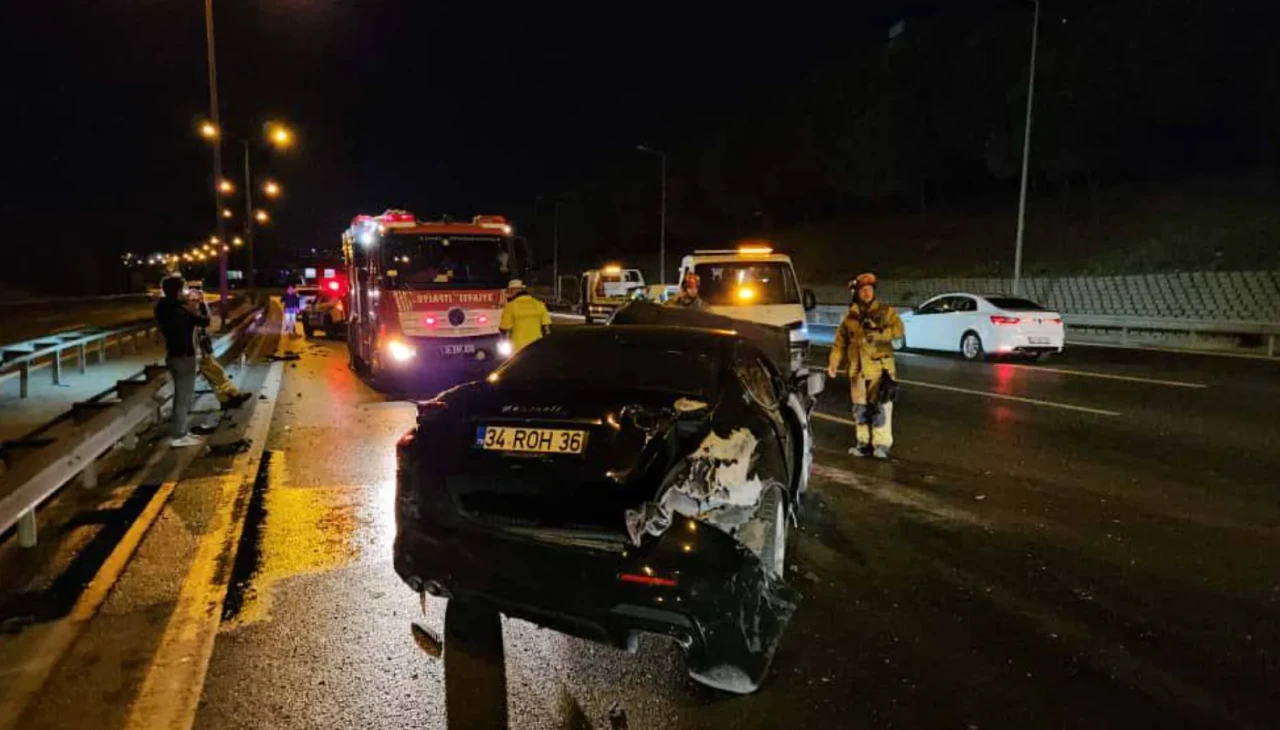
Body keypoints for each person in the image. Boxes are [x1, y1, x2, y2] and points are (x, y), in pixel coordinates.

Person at [827, 272, 904, 459]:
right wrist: (833, 363)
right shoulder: (850, 318)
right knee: (860, 409)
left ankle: (881, 445)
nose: (867, 293)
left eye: (869, 290)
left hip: (880, 370)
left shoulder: (886, 312)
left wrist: (879, 334)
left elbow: (898, 331)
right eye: (863, 290)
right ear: (857, 294)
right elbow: (839, 343)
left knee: (881, 408)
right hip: (857, 371)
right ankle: (863, 443)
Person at [155, 275, 208, 447]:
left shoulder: (161, 308)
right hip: (184, 356)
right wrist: (201, 302)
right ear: (178, 291)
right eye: (183, 289)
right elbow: (205, 321)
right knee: (183, 396)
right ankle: (178, 435)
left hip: (173, 355)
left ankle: (181, 432)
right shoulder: (181, 310)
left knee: (182, 395)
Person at [189, 290, 252, 411]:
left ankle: (227, 399)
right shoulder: (184, 312)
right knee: (216, 373)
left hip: (199, 350)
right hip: (195, 352)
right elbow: (206, 320)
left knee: (215, 375)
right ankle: (232, 396)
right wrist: (202, 303)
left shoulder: (185, 312)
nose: (194, 302)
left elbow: (203, 323)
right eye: (191, 299)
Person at [498, 279, 551, 354]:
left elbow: (504, 329)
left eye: (509, 291)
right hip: (537, 347)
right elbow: (547, 328)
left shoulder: (511, 306)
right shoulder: (539, 304)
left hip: (518, 350)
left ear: (512, 291)